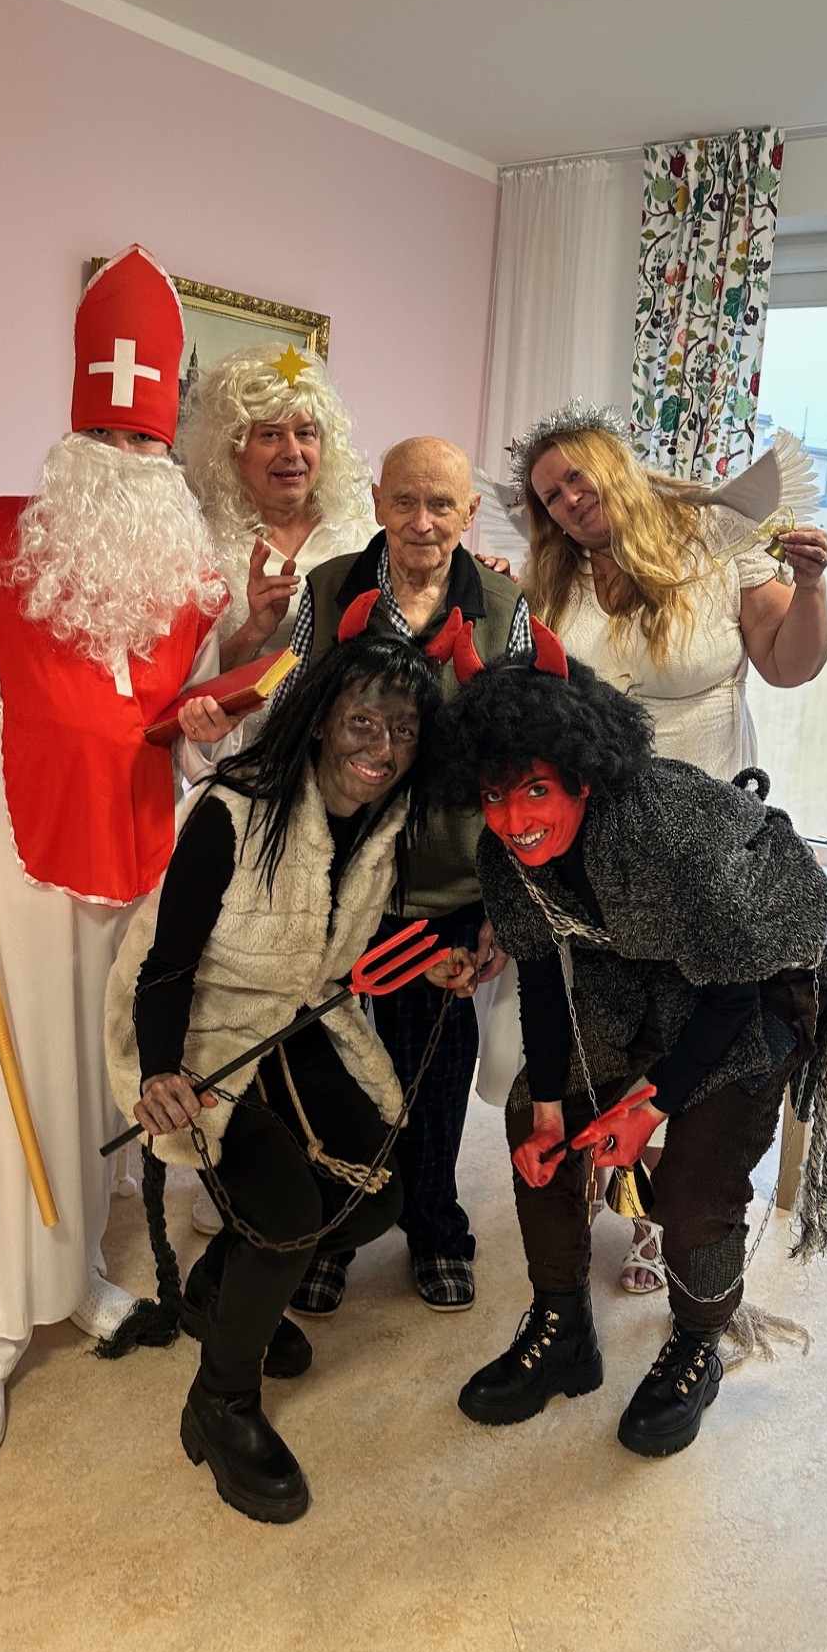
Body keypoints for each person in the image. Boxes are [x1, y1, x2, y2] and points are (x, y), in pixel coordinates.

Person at [0, 245, 234, 1464]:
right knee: (8, 1097)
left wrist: (210, 732)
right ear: (73, 432)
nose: (129, 460)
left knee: (103, 1090)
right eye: (109, 438)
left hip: (138, 862)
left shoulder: (195, 578)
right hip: (15, 865)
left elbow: (197, 737)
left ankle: (79, 1274)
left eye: (146, 443)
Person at [430, 628, 827, 1457]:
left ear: (583, 774)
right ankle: (563, 1329)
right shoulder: (504, 854)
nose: (515, 821)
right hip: (634, 965)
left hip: (760, 975)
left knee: (694, 1184)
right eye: (494, 795)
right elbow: (544, 976)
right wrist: (549, 1110)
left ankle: (698, 1341)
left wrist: (647, 1106)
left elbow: (732, 991)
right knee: (532, 1118)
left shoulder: (663, 827)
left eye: (537, 790)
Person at [101, 632, 477, 1523]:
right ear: (318, 723)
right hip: (203, 1034)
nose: (383, 749)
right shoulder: (232, 810)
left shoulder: (387, 821)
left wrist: (427, 961)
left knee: (376, 1200)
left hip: (301, 1018)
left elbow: (337, 931)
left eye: (404, 731)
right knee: (286, 1216)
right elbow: (164, 966)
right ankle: (220, 1400)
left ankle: (217, 1291)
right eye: (362, 723)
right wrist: (159, 1073)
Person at [508, 400, 827, 1290]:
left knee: (688, 1026)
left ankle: (660, 1212)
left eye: (577, 478)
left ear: (617, 465)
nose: (569, 501)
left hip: (704, 837)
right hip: (591, 840)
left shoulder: (718, 542)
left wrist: (809, 587)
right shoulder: (553, 578)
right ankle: (597, 1167)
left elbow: (790, 664)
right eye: (550, 496)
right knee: (604, 1020)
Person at [275, 437, 530, 1313]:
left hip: (450, 884)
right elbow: (290, 717)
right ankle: (336, 1231)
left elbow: (518, 759)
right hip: (340, 874)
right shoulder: (328, 589)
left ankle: (433, 1227)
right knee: (334, 1060)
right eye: (407, 501)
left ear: (470, 513)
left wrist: (504, 897)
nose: (423, 522)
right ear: (379, 501)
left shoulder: (503, 606)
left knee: (434, 1066)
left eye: (443, 505)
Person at [188, 343, 377, 671]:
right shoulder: (202, 543)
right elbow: (191, 682)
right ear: (234, 449)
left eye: (305, 433)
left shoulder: (361, 532)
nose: (292, 451)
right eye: (271, 435)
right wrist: (254, 631)